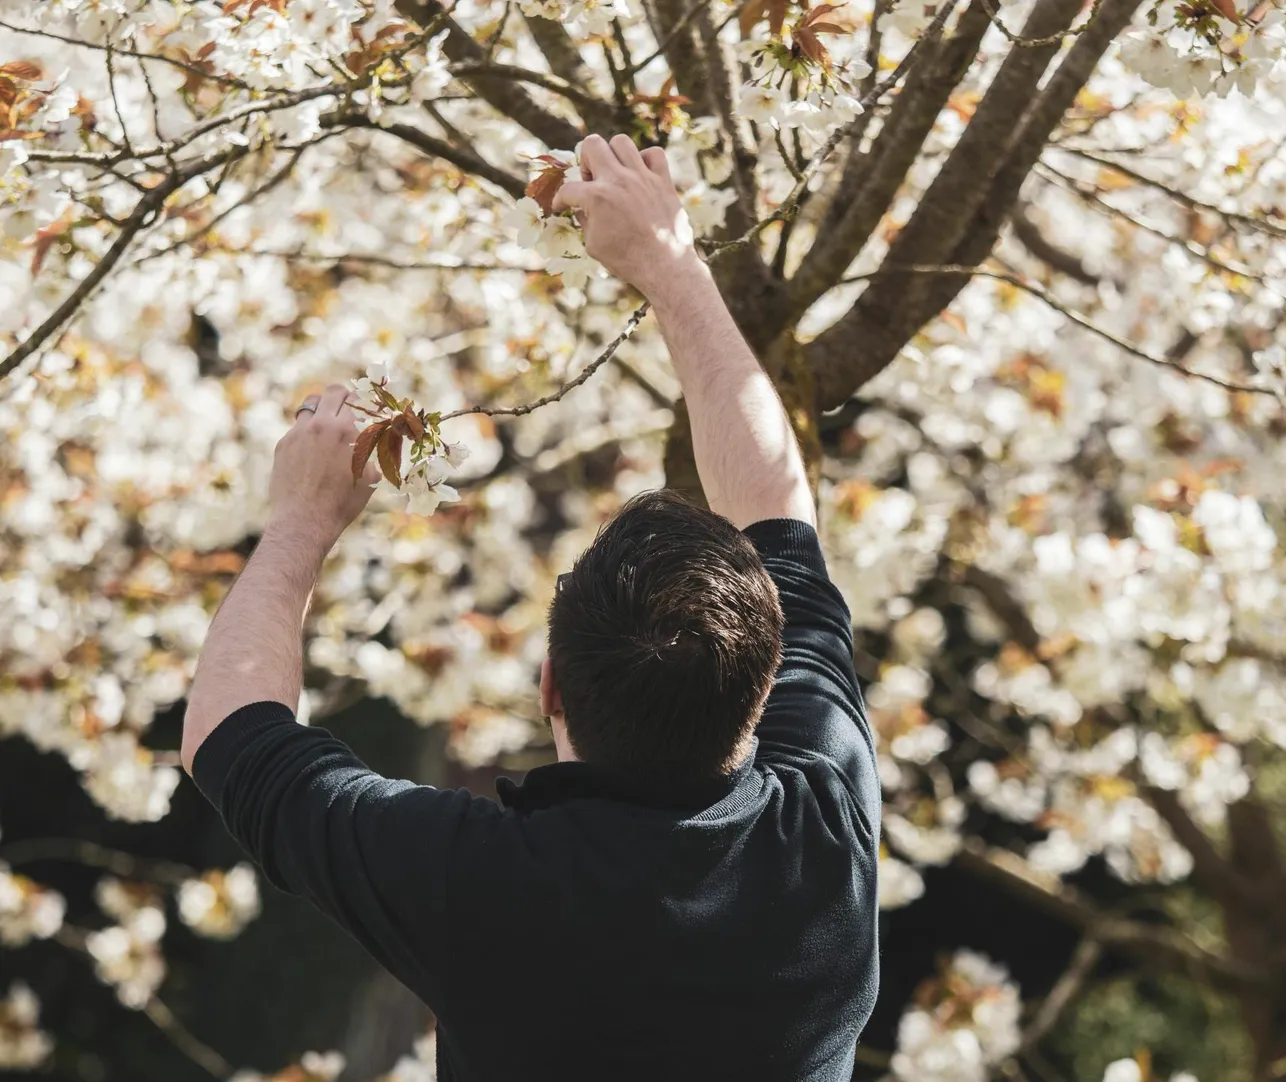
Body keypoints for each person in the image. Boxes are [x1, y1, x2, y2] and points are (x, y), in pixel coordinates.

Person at [182, 133, 881, 1081]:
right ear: (765, 687)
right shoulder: (823, 848)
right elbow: (779, 520)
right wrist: (673, 268)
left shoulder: (480, 891)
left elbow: (230, 735)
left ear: (550, 684)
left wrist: (302, 520)